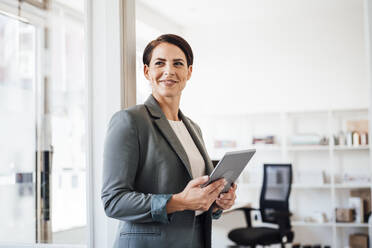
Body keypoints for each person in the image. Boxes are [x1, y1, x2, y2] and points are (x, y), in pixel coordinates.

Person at [101, 34, 237, 248]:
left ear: (189, 72)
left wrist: (217, 203)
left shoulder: (193, 128)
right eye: (160, 63)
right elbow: (114, 201)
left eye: (178, 64)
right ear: (147, 71)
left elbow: (197, 199)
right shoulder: (130, 121)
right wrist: (180, 201)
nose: (169, 71)